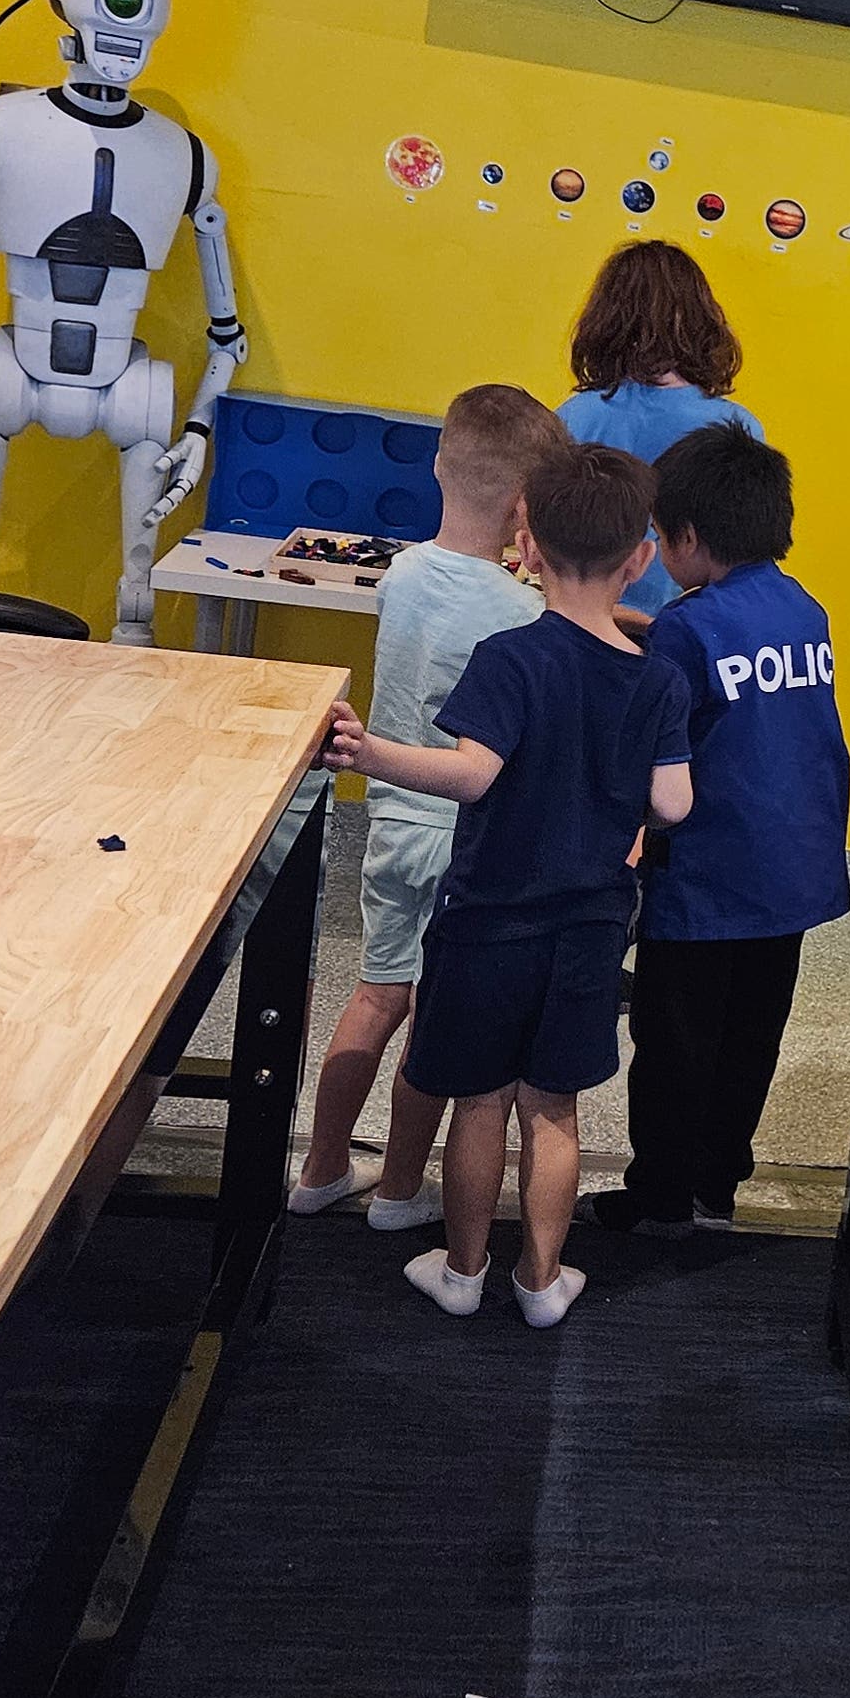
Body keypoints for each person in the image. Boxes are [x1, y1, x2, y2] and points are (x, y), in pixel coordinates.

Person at [322, 443, 693, 1329]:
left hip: (488, 922)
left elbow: (473, 774)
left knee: (480, 1101)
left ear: (524, 545)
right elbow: (673, 801)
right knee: (553, 1109)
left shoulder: (508, 657)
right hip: (592, 927)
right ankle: (542, 1280)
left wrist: (369, 751)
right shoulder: (659, 679)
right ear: (640, 558)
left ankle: (460, 1269)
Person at [288, 382, 567, 1230]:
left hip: (390, 822)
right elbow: (557, 638)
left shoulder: (403, 573)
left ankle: (322, 1168)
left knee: (375, 994)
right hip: (464, 842)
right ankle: (402, 1190)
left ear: (440, 467)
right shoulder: (524, 611)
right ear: (529, 509)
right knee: (434, 1025)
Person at [596, 424, 850, 1238]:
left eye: (661, 537)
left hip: (706, 882)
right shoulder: (804, 607)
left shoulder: (685, 626)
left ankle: (660, 1195)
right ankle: (716, 1188)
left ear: (691, 537)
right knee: (750, 1038)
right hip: (792, 873)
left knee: (673, 1042)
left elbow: (660, 738)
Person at [557, 239, 762, 618]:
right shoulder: (739, 428)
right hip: (693, 631)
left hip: (585, 622)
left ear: (605, 320)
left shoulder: (574, 416)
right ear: (702, 319)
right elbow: (744, 563)